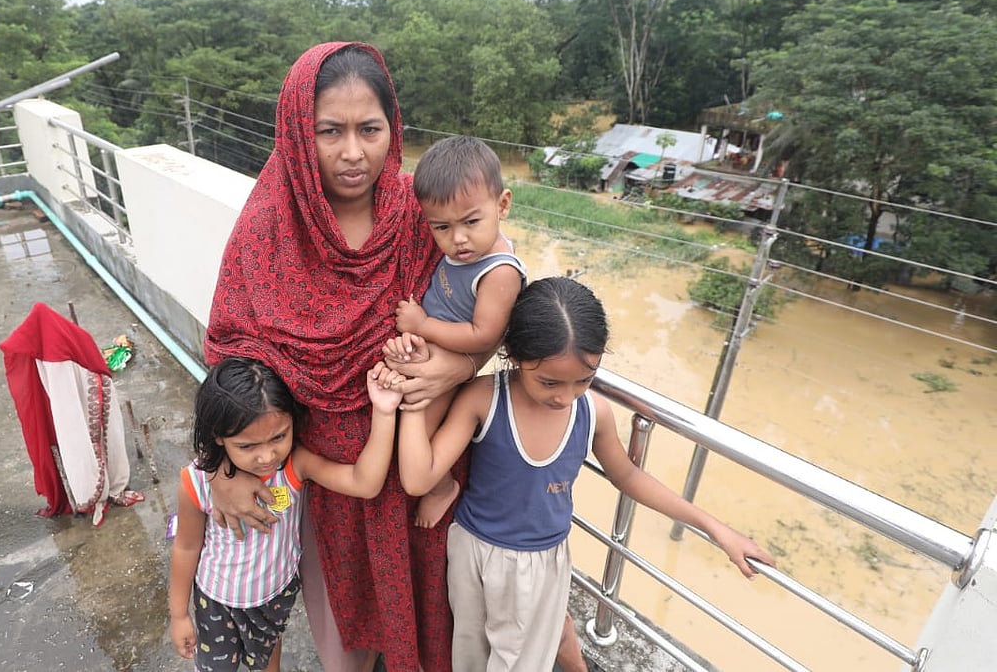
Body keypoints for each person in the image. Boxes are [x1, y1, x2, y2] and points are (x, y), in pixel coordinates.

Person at [203, 42, 479, 672]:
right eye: (330, 131)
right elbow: (229, 355)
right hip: (324, 476)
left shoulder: (425, 213)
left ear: (394, 128)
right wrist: (227, 469)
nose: (354, 153)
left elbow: (494, 299)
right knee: (344, 637)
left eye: (369, 130)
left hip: (423, 461)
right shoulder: (269, 229)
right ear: (299, 133)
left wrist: (461, 365)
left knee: (434, 614)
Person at [398, 276, 776, 672]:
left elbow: (628, 476)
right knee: (470, 652)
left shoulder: (593, 412)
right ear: (512, 353)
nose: (565, 396)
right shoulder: (484, 397)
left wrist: (714, 527)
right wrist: (409, 398)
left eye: (584, 378)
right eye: (549, 381)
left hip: (543, 562)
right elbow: (420, 478)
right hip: (472, 550)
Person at [168, 357, 402, 672]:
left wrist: (385, 412)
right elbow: (186, 547)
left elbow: (365, 482)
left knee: (267, 663)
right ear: (219, 437)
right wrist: (179, 614)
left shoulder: (294, 467)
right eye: (247, 446)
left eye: (278, 437)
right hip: (216, 602)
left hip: (274, 598)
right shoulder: (197, 482)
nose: (267, 456)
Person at [384, 134, 526, 528]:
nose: (458, 239)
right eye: (442, 227)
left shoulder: (498, 271)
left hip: (451, 366)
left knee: (415, 445)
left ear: (503, 204)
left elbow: (484, 335)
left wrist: (423, 325)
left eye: (471, 222)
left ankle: (440, 486)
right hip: (432, 349)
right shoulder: (470, 250)